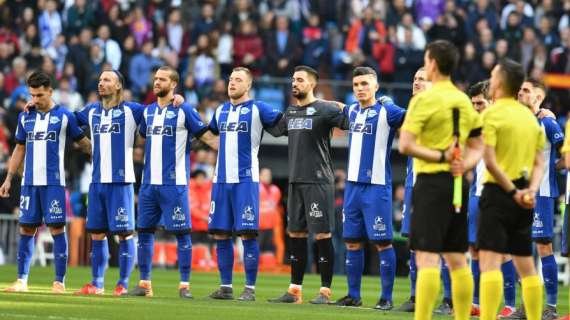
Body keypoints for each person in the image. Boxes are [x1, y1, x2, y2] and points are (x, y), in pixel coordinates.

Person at [73, 70, 183, 296]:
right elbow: (67, 120)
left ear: (118, 86)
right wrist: (39, 108)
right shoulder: (91, 110)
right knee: (96, 233)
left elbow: (158, 109)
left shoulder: (133, 110)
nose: (101, 83)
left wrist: (176, 99)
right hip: (96, 182)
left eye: (107, 80)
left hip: (121, 181)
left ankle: (122, 284)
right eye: (100, 79)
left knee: (124, 233)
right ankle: (97, 283)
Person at [399, 40, 484, 320]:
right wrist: (464, 164)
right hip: (458, 185)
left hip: (431, 184)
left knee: (427, 258)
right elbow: (478, 145)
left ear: (432, 64)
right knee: (458, 259)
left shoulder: (423, 100)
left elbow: (406, 145)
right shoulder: (462, 99)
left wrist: (441, 157)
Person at [128, 66, 217, 298]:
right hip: (148, 185)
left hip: (174, 185)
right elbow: (142, 133)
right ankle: (144, 284)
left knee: (182, 233)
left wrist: (228, 150)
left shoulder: (184, 110)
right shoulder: (147, 112)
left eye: (162, 79)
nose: (157, 82)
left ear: (174, 84)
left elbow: (206, 136)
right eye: (156, 78)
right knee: (145, 232)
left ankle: (184, 285)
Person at [1, 70, 91, 293]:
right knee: (26, 229)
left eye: (40, 95)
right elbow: (19, 148)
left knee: (56, 229)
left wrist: (98, 155)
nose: (36, 100)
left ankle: (59, 281)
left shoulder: (64, 116)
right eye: (33, 95)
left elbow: (83, 142)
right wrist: (9, 178)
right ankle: (22, 280)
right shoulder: (26, 116)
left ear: (50, 92)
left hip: (54, 183)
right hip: (29, 183)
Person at [267, 65, 349, 305]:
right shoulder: (290, 112)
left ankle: (325, 291)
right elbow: (273, 127)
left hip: (318, 181)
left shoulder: (325, 109)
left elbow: (350, 120)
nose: (295, 84)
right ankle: (294, 291)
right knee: (295, 233)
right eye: (293, 80)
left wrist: (344, 106)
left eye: (300, 80)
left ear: (312, 84)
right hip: (295, 181)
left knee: (322, 234)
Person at [477, 59, 545, 320]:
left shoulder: (491, 114)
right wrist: (530, 191)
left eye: (493, 75)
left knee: (490, 264)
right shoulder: (529, 118)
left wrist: (511, 192)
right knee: (526, 265)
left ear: (500, 82)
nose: (491, 79)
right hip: (526, 193)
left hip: (498, 193)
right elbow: (539, 162)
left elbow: (491, 162)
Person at [332, 66, 405, 310]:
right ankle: (353, 295)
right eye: (356, 85)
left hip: (376, 186)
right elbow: (337, 106)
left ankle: (386, 298)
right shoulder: (352, 110)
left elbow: (411, 116)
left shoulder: (387, 110)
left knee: (383, 242)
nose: (360, 89)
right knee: (352, 241)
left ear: (376, 86)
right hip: (352, 187)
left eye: (365, 84)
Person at [207, 67, 282, 302]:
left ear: (248, 85)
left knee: (247, 235)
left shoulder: (258, 108)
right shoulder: (220, 111)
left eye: (238, 80)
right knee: (220, 234)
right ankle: (225, 287)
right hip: (220, 180)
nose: (232, 83)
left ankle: (249, 288)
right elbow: (208, 135)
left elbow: (282, 124)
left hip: (246, 180)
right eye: (230, 79)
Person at [506, 79, 564, 320]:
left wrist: (552, 169)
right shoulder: (517, 121)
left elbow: (565, 154)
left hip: (541, 192)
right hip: (519, 193)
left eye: (527, 90)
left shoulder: (548, 123)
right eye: (520, 89)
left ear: (538, 97)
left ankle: (550, 307)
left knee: (542, 245)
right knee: (520, 248)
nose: (521, 93)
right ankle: (525, 307)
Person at [465, 81, 520, 319]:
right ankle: (476, 302)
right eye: (474, 103)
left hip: (498, 195)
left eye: (481, 103)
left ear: (492, 101)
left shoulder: (503, 124)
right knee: (475, 249)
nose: (476, 107)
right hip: (476, 193)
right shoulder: (474, 125)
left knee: (503, 251)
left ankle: (509, 304)